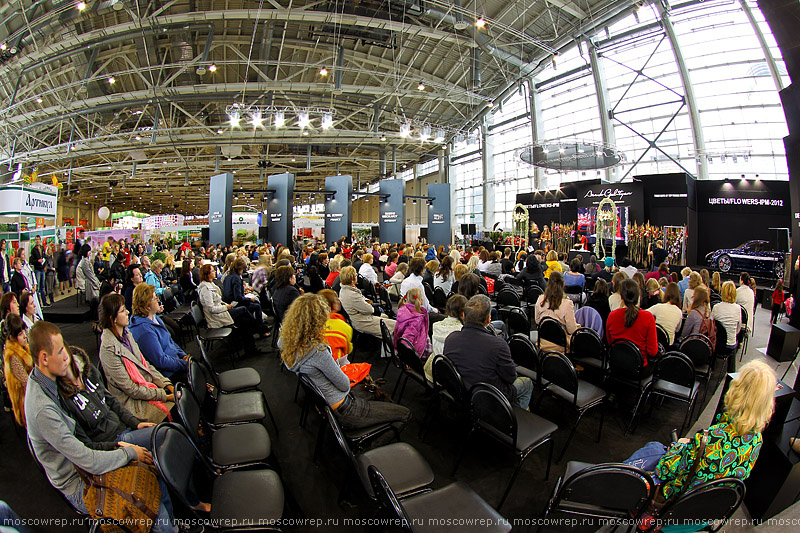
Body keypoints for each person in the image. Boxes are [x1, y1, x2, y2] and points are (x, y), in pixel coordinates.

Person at [24, 321, 179, 533]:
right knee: (147, 494)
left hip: (89, 462)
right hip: (80, 483)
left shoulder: (48, 382)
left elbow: (102, 402)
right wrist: (128, 453)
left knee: (154, 470)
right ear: (43, 358)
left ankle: (173, 525)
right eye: (60, 351)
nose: (66, 355)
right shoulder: (43, 408)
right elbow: (88, 460)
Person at [281, 293, 411, 444]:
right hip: (345, 409)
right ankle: (368, 452)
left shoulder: (289, 344)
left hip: (329, 405)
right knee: (404, 414)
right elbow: (343, 384)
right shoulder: (318, 351)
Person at [653, 360, 774, 504]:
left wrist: (678, 447)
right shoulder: (757, 441)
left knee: (652, 448)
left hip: (678, 504)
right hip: (711, 508)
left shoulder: (709, 438)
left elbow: (666, 470)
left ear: (736, 391)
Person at [444, 295, 533, 409]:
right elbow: (510, 377)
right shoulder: (498, 345)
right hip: (492, 397)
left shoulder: (451, 338)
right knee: (527, 383)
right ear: (488, 319)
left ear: (463, 315)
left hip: (462, 393)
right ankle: (515, 417)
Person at [98, 293, 175, 423]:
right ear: (113, 319)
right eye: (123, 311)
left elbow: (145, 365)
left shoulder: (126, 334)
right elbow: (131, 390)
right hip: (132, 403)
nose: (128, 312)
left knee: (182, 395)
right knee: (177, 408)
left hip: (146, 388)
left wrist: (166, 384)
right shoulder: (108, 350)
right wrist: (165, 396)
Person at [129, 283, 189, 381]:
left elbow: (170, 341)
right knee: (199, 374)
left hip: (175, 362)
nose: (158, 300)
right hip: (167, 374)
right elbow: (161, 361)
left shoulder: (154, 317)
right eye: (155, 298)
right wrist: (184, 364)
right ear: (147, 305)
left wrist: (183, 355)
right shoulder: (144, 331)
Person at [606, 279, 659, 376]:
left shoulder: (612, 316)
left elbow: (610, 343)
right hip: (639, 370)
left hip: (617, 366)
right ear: (638, 296)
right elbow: (653, 352)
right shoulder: (647, 317)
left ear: (621, 296)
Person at [339, 266, 395, 337]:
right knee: (395, 326)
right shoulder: (352, 295)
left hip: (359, 318)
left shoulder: (344, 290)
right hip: (362, 321)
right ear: (352, 279)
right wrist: (368, 303)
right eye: (356, 275)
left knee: (387, 319)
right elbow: (369, 310)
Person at [426, 294, 467, 381]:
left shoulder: (436, 325)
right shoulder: (461, 331)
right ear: (463, 313)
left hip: (434, 367)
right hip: (451, 376)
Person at [534, 272, 579, 352]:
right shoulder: (567, 303)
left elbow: (537, 321)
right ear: (563, 285)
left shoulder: (540, 299)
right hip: (561, 346)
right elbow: (572, 330)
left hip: (543, 343)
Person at [222, 257, 266, 333]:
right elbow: (238, 297)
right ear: (240, 269)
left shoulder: (228, 276)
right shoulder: (236, 278)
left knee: (255, 303)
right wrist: (249, 299)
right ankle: (260, 328)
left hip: (229, 302)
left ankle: (260, 326)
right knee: (257, 305)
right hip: (234, 303)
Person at [4, 314, 32, 427]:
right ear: (12, 338)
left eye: (24, 331)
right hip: (25, 403)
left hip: (31, 395)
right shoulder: (13, 357)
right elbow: (27, 382)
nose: (25, 336)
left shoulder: (24, 347)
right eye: (20, 334)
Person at [393, 288, 431, 360]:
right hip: (414, 348)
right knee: (434, 355)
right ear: (420, 300)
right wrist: (408, 359)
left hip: (399, 344)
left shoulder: (403, 309)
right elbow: (407, 338)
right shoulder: (416, 319)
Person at [318, 289, 353, 366]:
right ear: (334, 305)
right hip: (336, 367)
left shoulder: (309, 324)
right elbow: (348, 350)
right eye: (337, 299)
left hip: (313, 370)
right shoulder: (343, 326)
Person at [649, 283, 683, 347]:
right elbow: (677, 330)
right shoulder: (679, 312)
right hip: (669, 344)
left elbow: (643, 313)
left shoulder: (658, 307)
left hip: (655, 342)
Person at [712, 281, 743, 351]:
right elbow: (738, 328)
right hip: (731, 344)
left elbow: (711, 325)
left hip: (718, 343)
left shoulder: (716, 307)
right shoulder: (738, 308)